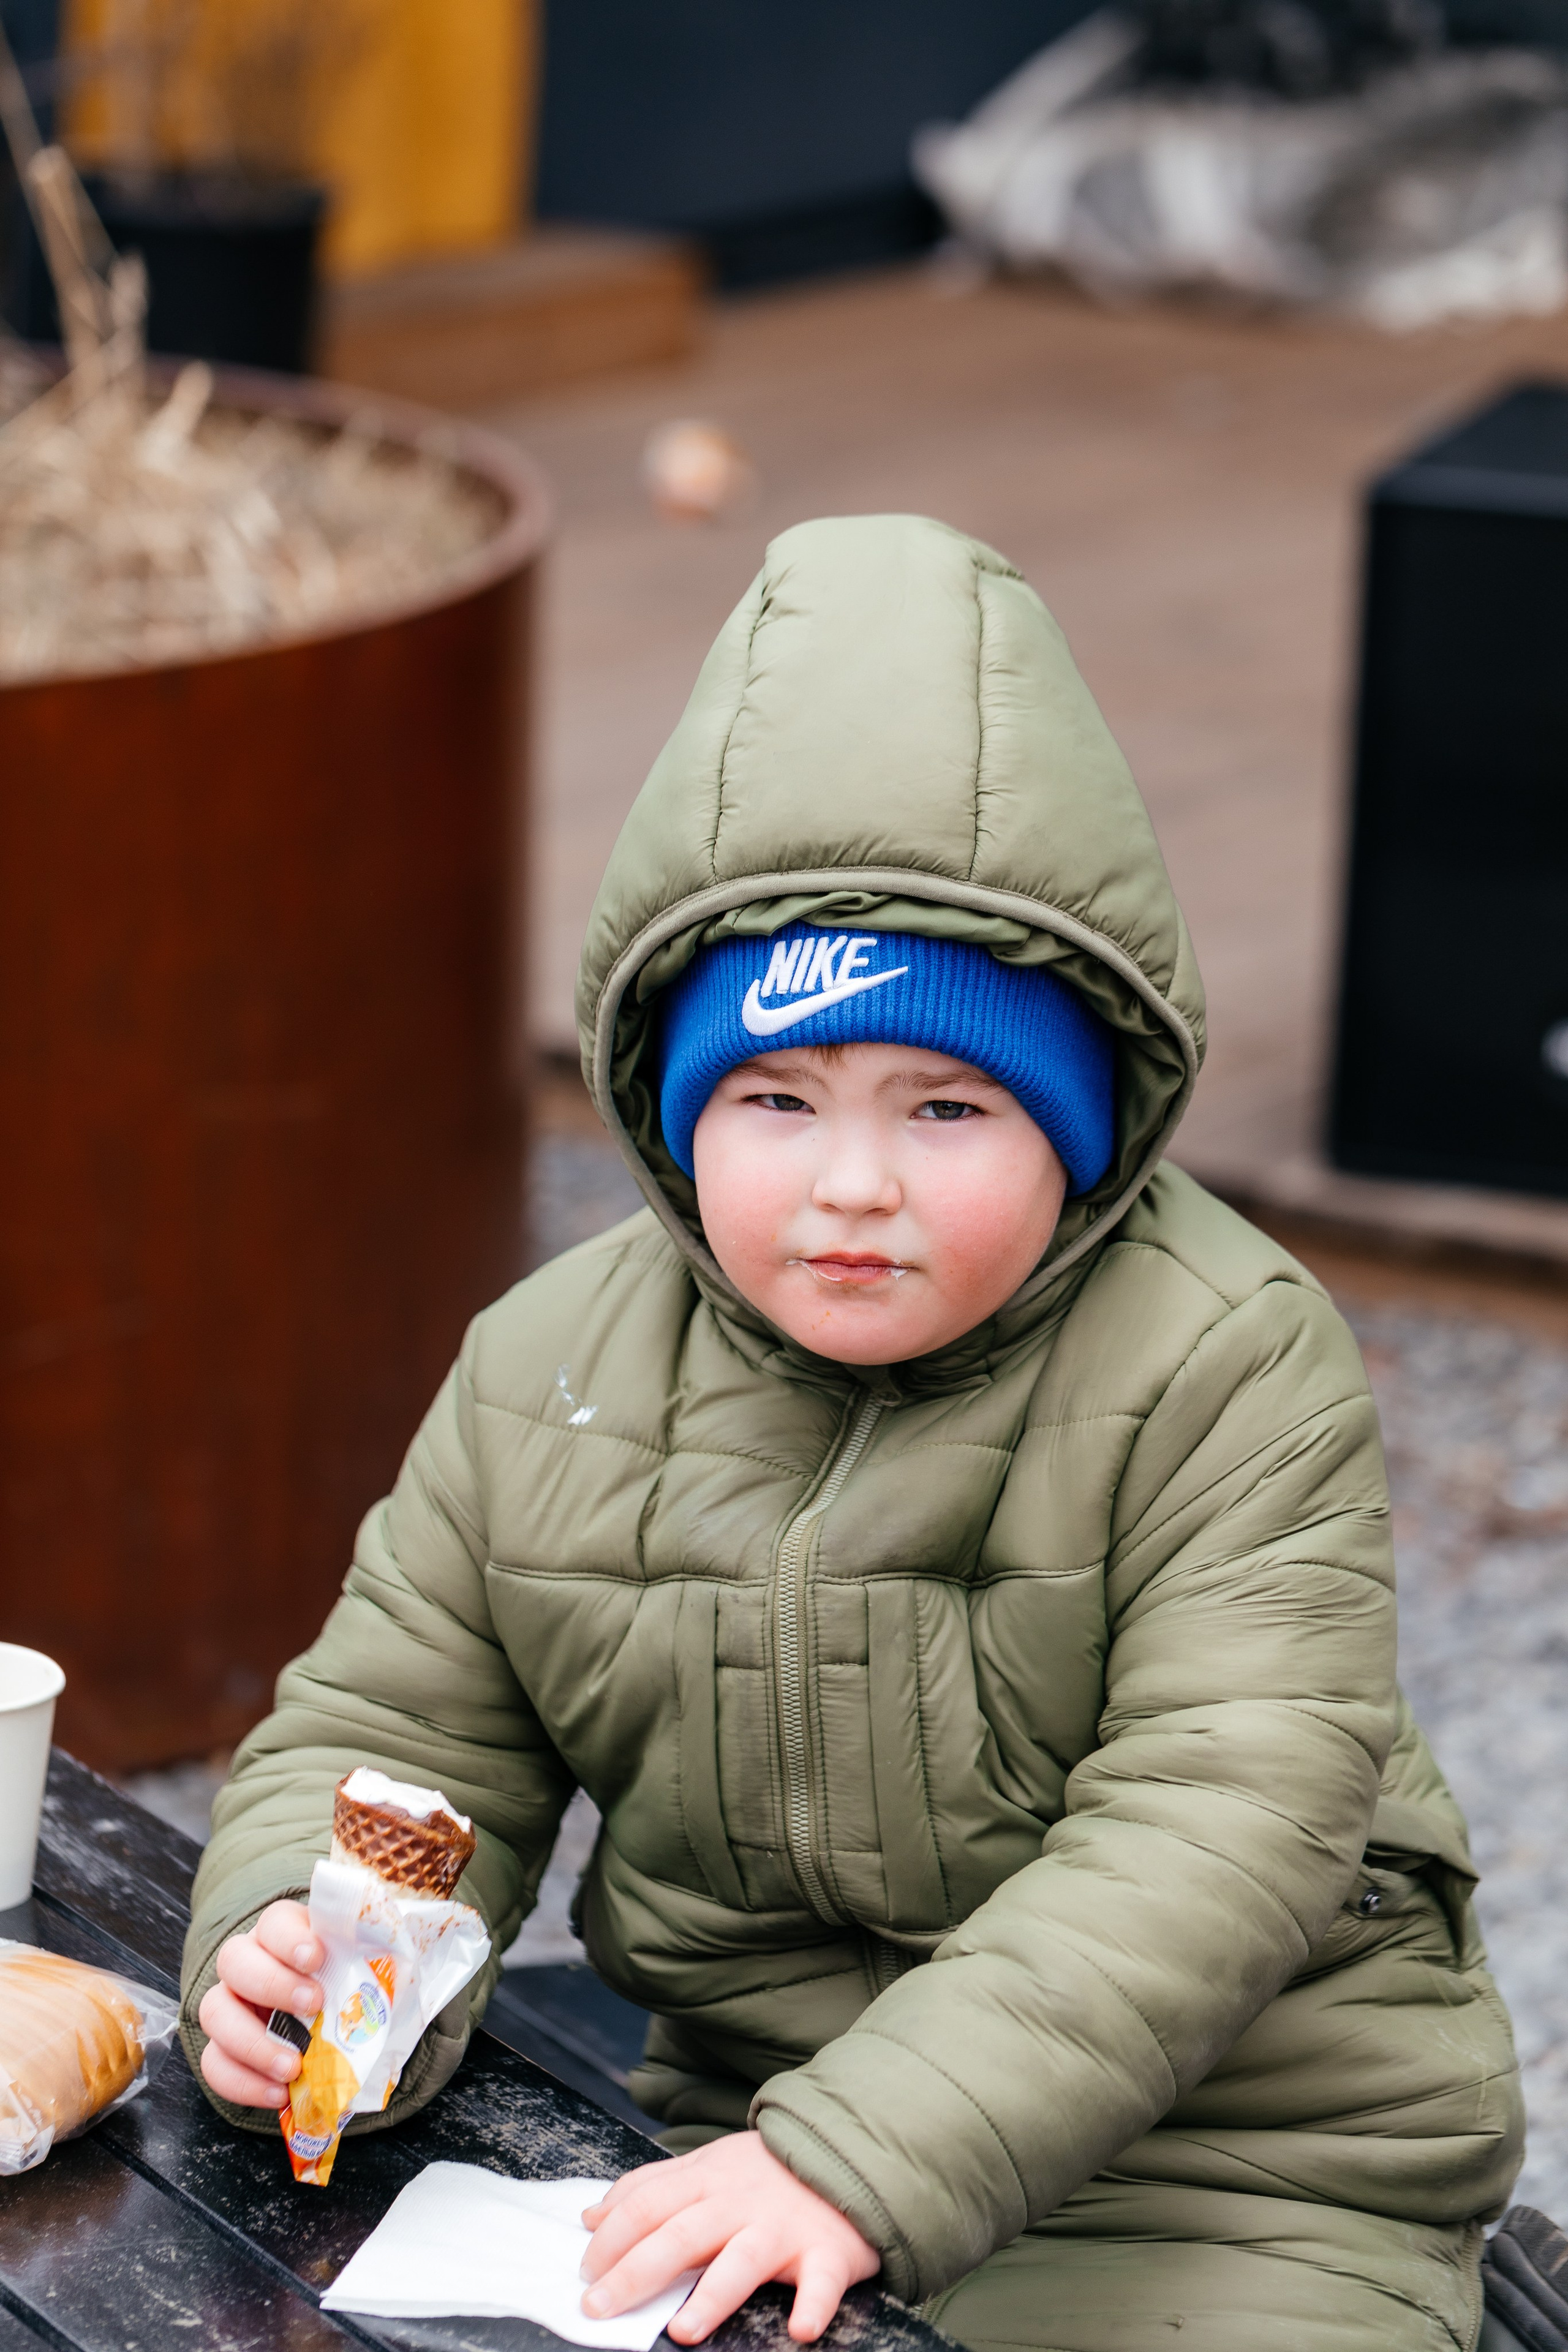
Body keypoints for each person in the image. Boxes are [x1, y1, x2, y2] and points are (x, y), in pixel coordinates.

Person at [182, 514, 1523, 2352]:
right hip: (744, 2148)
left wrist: (863, 2156)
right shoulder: (548, 1370)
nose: (854, 1184)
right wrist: (303, 1956)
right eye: (778, 1098)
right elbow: (406, 1736)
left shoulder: (1227, 1361)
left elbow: (1223, 1822)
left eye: (948, 1106)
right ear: (669, 1111)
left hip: (1232, 2174)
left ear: (1083, 1125)